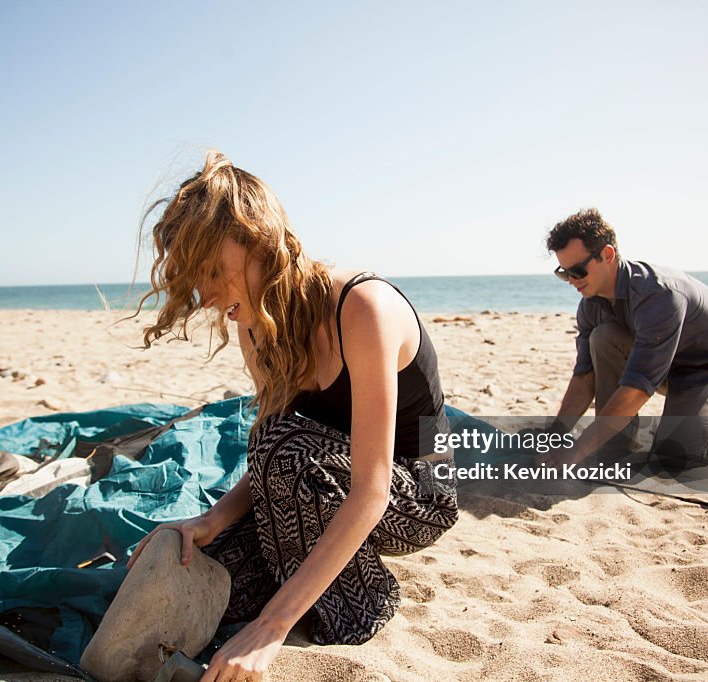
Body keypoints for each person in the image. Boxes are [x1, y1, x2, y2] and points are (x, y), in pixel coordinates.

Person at [125, 151, 458, 681]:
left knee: (283, 453)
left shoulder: (361, 307)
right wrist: (212, 519)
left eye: (211, 271)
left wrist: (273, 626)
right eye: (195, 280)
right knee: (212, 564)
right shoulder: (252, 328)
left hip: (412, 495)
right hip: (316, 482)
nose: (208, 296)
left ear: (257, 239)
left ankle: (361, 601)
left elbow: (370, 489)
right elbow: (268, 457)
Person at [543, 208, 708, 469]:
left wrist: (577, 452)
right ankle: (617, 441)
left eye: (578, 271)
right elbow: (584, 377)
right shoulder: (590, 305)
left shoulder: (659, 295)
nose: (571, 281)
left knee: (674, 458)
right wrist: (554, 435)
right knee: (602, 336)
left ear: (607, 255)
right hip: (661, 367)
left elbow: (637, 389)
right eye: (563, 273)